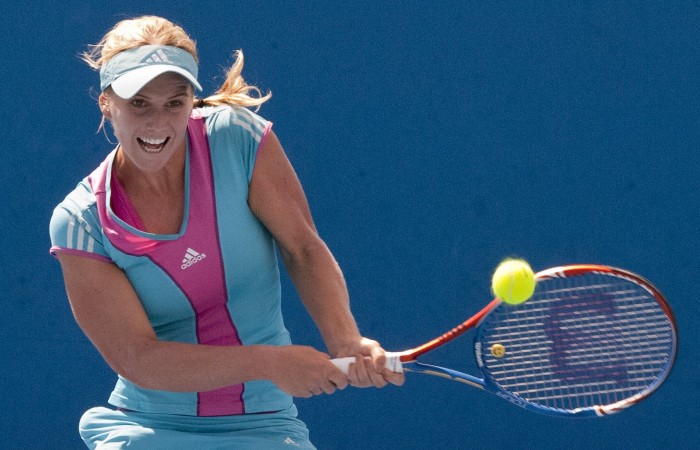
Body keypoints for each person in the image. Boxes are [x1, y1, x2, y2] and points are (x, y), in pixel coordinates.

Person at [49, 15, 403, 449]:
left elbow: (303, 249)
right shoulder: (82, 222)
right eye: (138, 103)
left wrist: (346, 339)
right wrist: (269, 363)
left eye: (174, 103)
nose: (158, 123)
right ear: (106, 103)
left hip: (267, 425)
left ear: (192, 100)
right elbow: (137, 358)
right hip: (147, 429)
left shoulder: (238, 140)